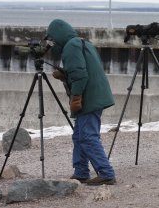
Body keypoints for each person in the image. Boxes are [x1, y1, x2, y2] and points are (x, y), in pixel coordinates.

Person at [46, 19, 116, 185]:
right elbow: (82, 70)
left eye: (53, 40)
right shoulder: (82, 42)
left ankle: (106, 173)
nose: (52, 44)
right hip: (96, 94)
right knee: (79, 136)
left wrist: (76, 97)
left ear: (58, 36)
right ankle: (81, 172)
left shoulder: (70, 47)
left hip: (89, 97)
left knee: (87, 136)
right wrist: (65, 75)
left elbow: (80, 75)